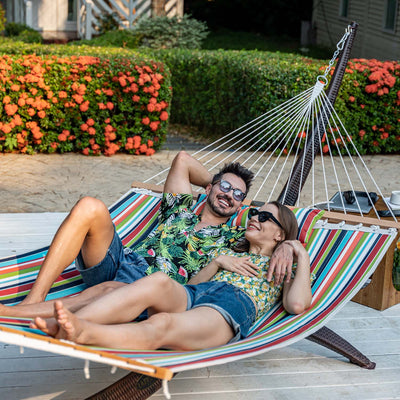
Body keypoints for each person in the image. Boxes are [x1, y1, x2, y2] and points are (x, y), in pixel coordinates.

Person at [0, 151, 293, 318]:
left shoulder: (235, 239)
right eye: (224, 188)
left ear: (242, 205)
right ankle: (34, 298)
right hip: (119, 264)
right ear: (207, 189)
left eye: (238, 195)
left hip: (151, 291)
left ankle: (19, 317)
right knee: (90, 206)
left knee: (115, 291)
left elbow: (280, 234)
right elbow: (183, 160)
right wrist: (218, 185)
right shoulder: (181, 207)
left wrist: (287, 247)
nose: (229, 196)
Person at [32, 201, 312, 350]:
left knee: (162, 323)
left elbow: (297, 305)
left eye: (265, 218)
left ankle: (82, 331)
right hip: (197, 293)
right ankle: (66, 323)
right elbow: (192, 287)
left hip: (231, 305)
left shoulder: (285, 266)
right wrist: (217, 261)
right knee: (159, 282)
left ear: (280, 233)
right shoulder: (231, 249)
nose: (254, 218)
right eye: (254, 213)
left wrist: (298, 250)